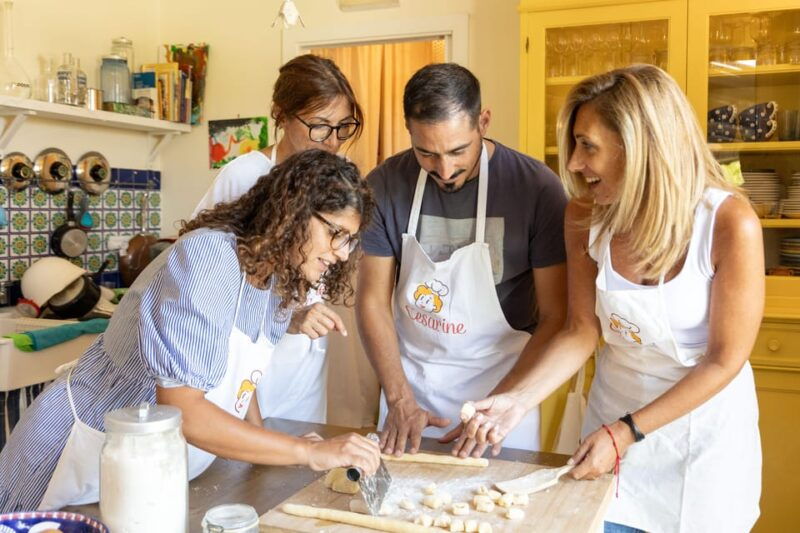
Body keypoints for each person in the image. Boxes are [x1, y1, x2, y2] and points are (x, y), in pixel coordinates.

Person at [460, 65, 763, 532]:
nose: (576, 164)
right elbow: (582, 330)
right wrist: (517, 400)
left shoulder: (727, 224)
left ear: (640, 145)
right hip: (610, 430)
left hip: (702, 445)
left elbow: (724, 361)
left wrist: (627, 432)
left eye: (588, 146)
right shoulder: (585, 215)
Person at [0, 150, 379, 512]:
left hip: (145, 468)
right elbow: (183, 409)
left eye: (350, 239)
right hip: (80, 452)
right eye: (336, 233)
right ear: (295, 212)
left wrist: (270, 449)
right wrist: (307, 452)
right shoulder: (210, 256)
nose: (343, 253)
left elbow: (241, 380)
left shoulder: (275, 277)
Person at [356, 63, 568, 457]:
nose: (445, 169)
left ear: (483, 121)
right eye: (426, 153)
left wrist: (503, 405)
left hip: (504, 384)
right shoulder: (385, 184)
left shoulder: (537, 189)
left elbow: (558, 317)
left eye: (458, 151)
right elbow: (371, 301)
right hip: (412, 386)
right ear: (409, 130)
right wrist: (399, 397)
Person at [194, 54, 364, 424]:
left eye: (343, 127)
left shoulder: (333, 181)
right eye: (320, 126)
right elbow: (207, 294)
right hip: (244, 373)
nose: (333, 141)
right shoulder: (244, 178)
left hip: (302, 373)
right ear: (281, 114)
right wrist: (290, 317)